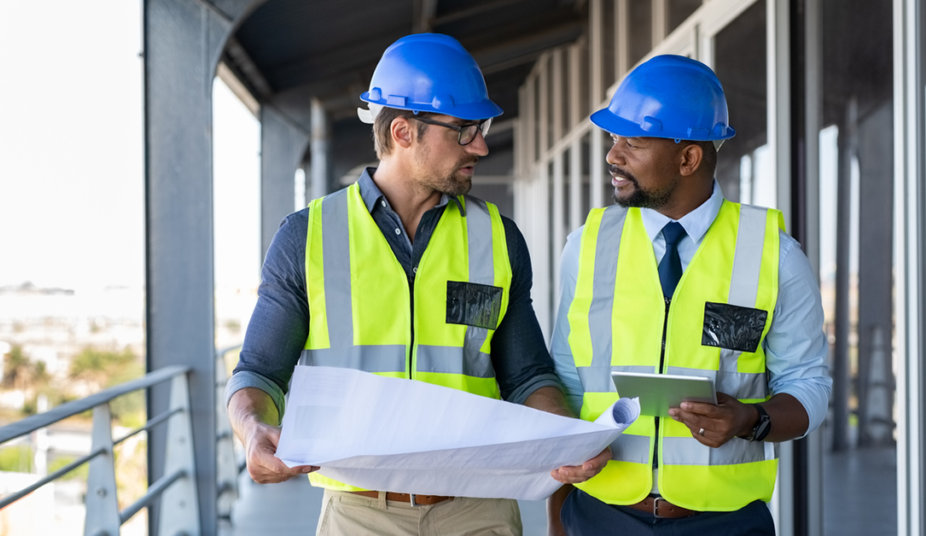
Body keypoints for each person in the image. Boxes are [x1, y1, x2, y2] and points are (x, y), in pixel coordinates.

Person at [226, 33, 611, 536]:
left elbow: (527, 375)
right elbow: (258, 372)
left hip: (481, 508)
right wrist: (253, 432)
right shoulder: (307, 237)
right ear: (404, 131)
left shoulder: (498, 238)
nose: (482, 144)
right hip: (359, 513)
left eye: (483, 126)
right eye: (465, 129)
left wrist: (567, 440)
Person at [548, 55, 832, 535]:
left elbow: (809, 383)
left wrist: (750, 419)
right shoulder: (587, 246)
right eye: (612, 139)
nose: (612, 156)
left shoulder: (773, 255)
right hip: (598, 517)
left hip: (726, 524)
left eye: (631, 143)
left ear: (688, 158)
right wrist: (557, 519)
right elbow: (565, 383)